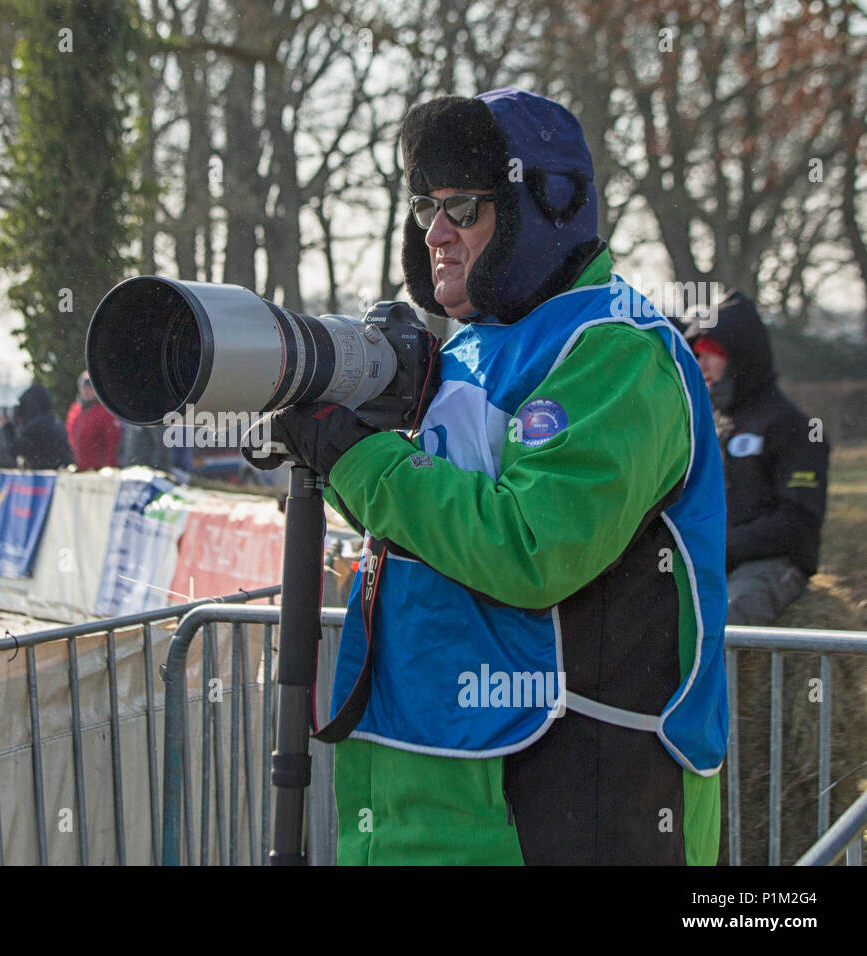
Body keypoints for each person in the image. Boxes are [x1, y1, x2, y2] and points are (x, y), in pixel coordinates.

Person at [246, 88, 728, 865]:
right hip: (424, 778)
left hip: (566, 795)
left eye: (464, 207)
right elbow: (421, 519)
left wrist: (356, 457)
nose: (434, 232)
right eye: (424, 207)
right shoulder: (469, 348)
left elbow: (532, 547)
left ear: (547, 206)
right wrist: (323, 445)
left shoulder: (614, 350)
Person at [684, 291, 829, 625]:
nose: (700, 364)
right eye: (696, 353)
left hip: (773, 564)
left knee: (725, 622)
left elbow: (797, 523)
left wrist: (723, 547)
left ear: (740, 355)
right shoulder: (709, 426)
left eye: (711, 353)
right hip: (715, 561)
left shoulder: (794, 427)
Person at [3, 384, 73, 470]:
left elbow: (14, 448)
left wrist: (7, 427)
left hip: (44, 476)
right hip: (57, 471)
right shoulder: (54, 421)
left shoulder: (36, 426)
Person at [68, 370, 121, 470]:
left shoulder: (106, 411)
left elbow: (112, 442)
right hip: (79, 468)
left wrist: (108, 466)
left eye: (91, 387)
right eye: (84, 387)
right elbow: (70, 436)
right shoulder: (75, 410)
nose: (87, 391)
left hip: (99, 470)